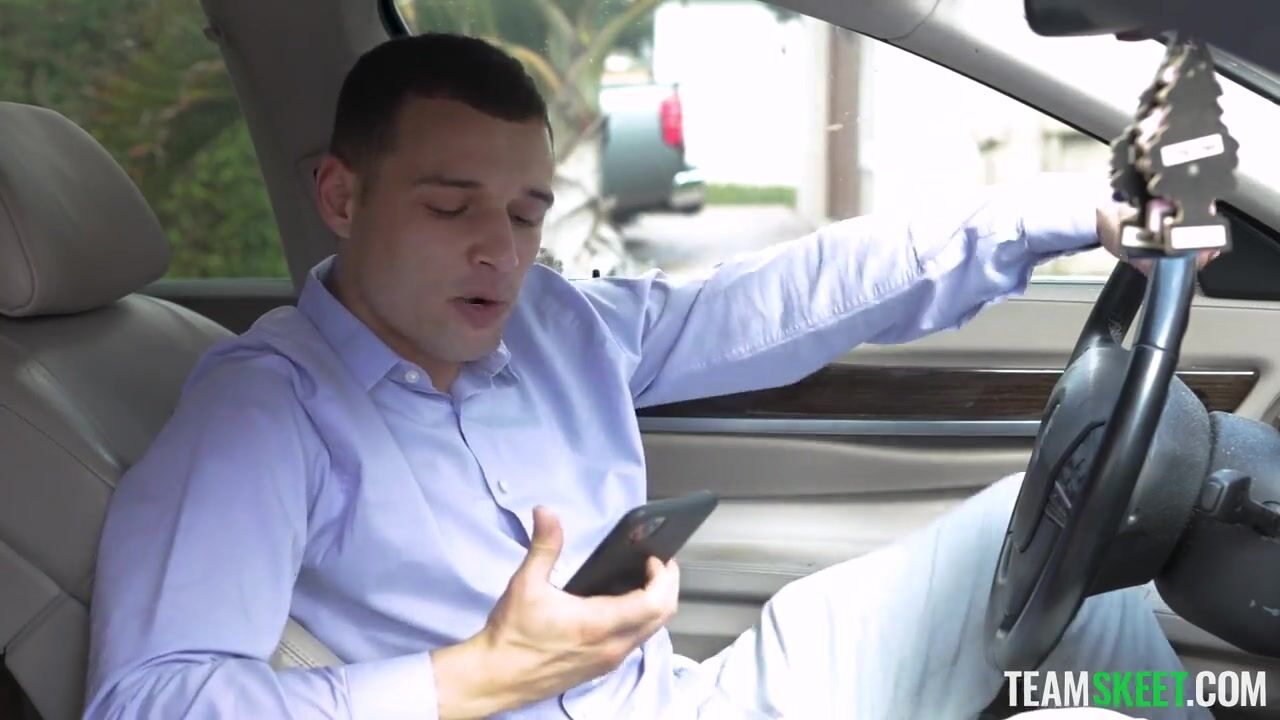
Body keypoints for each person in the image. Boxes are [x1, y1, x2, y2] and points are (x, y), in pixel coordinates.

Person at [84, 33, 1214, 720]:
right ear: (342, 197)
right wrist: (482, 674)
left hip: (687, 697)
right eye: (450, 207)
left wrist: (1072, 214)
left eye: (524, 213)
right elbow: (148, 701)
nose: (498, 251)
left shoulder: (553, 324)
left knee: (1066, 536)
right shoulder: (260, 412)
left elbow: (778, 299)